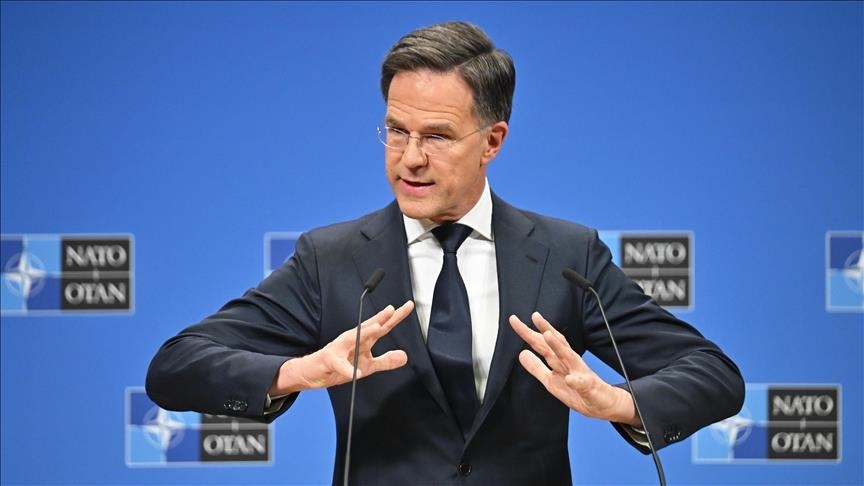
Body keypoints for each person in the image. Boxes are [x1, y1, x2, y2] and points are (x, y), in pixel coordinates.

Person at [146, 21, 744, 485]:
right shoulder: (333, 260)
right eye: (396, 131)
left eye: (436, 136)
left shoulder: (566, 255)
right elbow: (175, 367)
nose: (410, 158)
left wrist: (616, 402)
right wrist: (300, 372)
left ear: (492, 141)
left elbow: (714, 375)